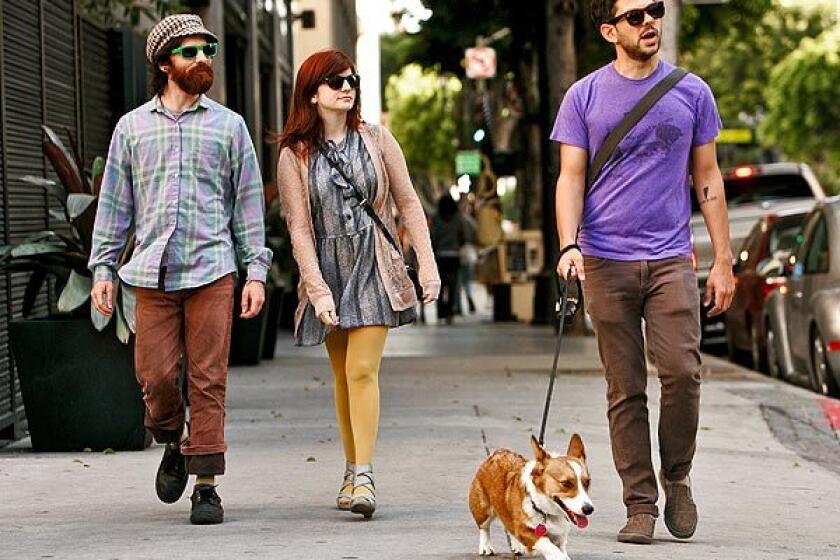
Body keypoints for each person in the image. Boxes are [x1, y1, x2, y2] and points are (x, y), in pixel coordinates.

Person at [552, 0, 734, 544]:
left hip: (671, 258)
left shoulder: (692, 92)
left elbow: (709, 178)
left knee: (682, 371)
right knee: (624, 388)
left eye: (654, 9)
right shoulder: (582, 96)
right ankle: (640, 506)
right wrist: (568, 244)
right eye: (635, 15)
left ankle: (676, 474)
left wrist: (723, 259)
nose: (649, 20)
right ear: (610, 30)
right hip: (605, 261)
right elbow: (570, 178)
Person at [88, 14, 271, 525]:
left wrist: (255, 270)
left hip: (213, 269)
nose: (203, 60)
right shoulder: (132, 128)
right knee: (157, 377)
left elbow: (248, 205)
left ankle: (207, 485)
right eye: (191, 52)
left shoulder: (230, 127)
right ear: (165, 63)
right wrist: (103, 268)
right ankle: (172, 438)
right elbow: (115, 206)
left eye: (208, 50)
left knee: (208, 379)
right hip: (152, 273)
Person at [275, 49, 440, 519]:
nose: (347, 87)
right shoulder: (295, 155)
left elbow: (408, 204)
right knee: (343, 375)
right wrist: (318, 290)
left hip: (375, 262)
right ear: (312, 92)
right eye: (335, 81)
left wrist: (426, 266)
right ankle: (350, 469)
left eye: (351, 80)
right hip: (328, 269)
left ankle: (364, 474)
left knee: (363, 370)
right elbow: (300, 228)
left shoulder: (377, 139)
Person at [431, 194, 468, 324]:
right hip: (454, 256)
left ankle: (441, 313)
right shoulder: (458, 218)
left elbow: (433, 236)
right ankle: (450, 312)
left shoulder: (436, 218)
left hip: (440, 256)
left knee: (441, 285)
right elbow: (463, 235)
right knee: (453, 285)